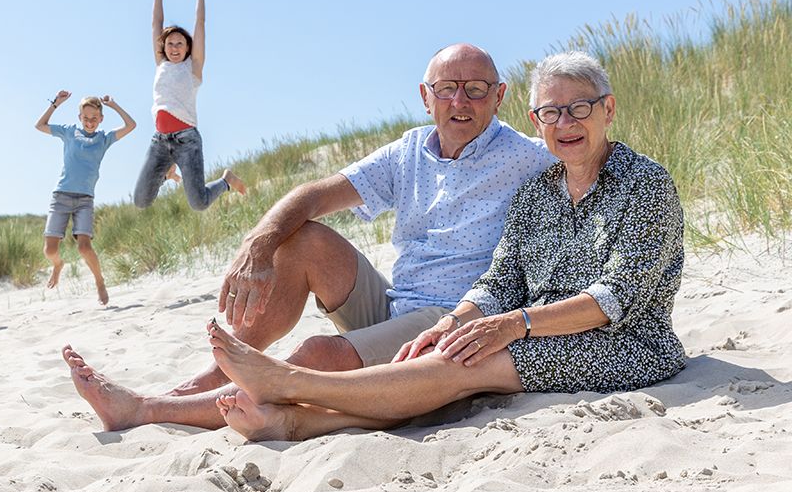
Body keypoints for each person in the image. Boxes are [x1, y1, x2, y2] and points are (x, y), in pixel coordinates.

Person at [64, 43, 556, 431]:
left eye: (475, 89)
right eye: (447, 88)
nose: (460, 101)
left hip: (453, 319)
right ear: (425, 96)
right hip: (395, 303)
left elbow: (592, 168)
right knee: (302, 240)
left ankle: (146, 410)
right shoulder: (410, 150)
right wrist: (258, 242)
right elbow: (314, 194)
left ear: (500, 95)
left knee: (318, 354)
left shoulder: (528, 157)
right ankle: (215, 378)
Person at [207, 50, 686, 441]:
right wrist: (458, 322)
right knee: (454, 351)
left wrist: (512, 325)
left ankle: (289, 384)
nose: (565, 123)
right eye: (551, 113)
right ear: (536, 120)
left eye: (579, 107)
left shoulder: (643, 183)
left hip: (626, 343)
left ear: (608, 109)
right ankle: (292, 420)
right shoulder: (541, 188)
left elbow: (615, 297)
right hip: (544, 332)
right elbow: (502, 278)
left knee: (458, 364)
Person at [133, 0, 247, 211]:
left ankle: (226, 181)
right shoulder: (161, 64)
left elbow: (200, 23)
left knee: (199, 203)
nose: (174, 48)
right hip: (160, 142)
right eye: (170, 44)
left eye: (180, 44)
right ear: (163, 47)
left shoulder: (193, 67)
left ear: (188, 47)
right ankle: (166, 171)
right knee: (141, 201)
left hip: (187, 142)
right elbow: (156, 23)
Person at [36, 91, 137, 305]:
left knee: (84, 247)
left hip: (84, 199)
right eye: (85, 118)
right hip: (61, 195)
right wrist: (55, 104)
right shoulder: (69, 132)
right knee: (50, 250)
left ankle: (99, 281)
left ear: (100, 119)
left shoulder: (104, 139)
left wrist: (114, 105)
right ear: (79, 117)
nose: (90, 122)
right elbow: (40, 125)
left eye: (94, 118)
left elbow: (131, 125)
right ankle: (57, 265)